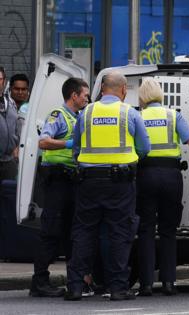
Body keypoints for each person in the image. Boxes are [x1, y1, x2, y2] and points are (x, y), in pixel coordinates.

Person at [65, 71, 150, 301]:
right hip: (120, 183)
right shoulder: (129, 113)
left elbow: (76, 149)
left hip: (88, 182)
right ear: (123, 90)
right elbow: (144, 148)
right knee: (119, 234)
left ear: (102, 89)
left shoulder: (86, 113)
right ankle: (117, 288)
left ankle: (74, 286)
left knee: (84, 232)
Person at [136, 77, 189, 296]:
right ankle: (169, 283)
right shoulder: (173, 115)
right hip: (171, 176)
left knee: (145, 229)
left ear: (142, 96)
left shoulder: (138, 116)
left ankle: (145, 284)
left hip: (145, 175)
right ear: (160, 94)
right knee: (168, 231)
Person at [29, 78, 90, 297]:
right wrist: (68, 143)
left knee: (72, 232)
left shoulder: (79, 116)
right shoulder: (58, 115)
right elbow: (43, 142)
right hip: (57, 179)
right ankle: (39, 282)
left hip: (72, 180)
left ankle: (76, 280)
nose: (87, 98)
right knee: (51, 231)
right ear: (74, 95)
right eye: (84, 94)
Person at [0, 67, 20, 183]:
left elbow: (16, 127)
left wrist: (17, 147)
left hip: (9, 161)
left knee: (8, 196)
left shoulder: (10, 102)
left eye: (0, 79)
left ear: (4, 81)